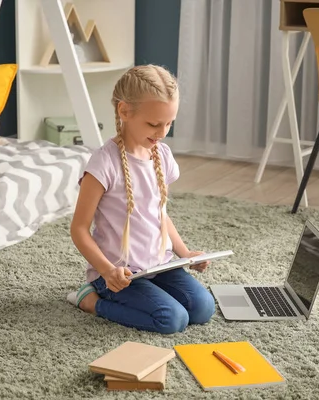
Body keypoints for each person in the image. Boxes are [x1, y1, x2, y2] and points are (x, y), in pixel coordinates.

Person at [66, 64, 216, 334]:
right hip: (119, 275)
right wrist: (108, 271)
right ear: (124, 111)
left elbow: (160, 214)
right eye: (154, 124)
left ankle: (152, 291)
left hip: (160, 266)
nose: (162, 133)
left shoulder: (162, 155)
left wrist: (185, 254)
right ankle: (91, 301)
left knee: (203, 308)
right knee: (172, 319)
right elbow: (79, 229)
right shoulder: (103, 164)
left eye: (169, 123)